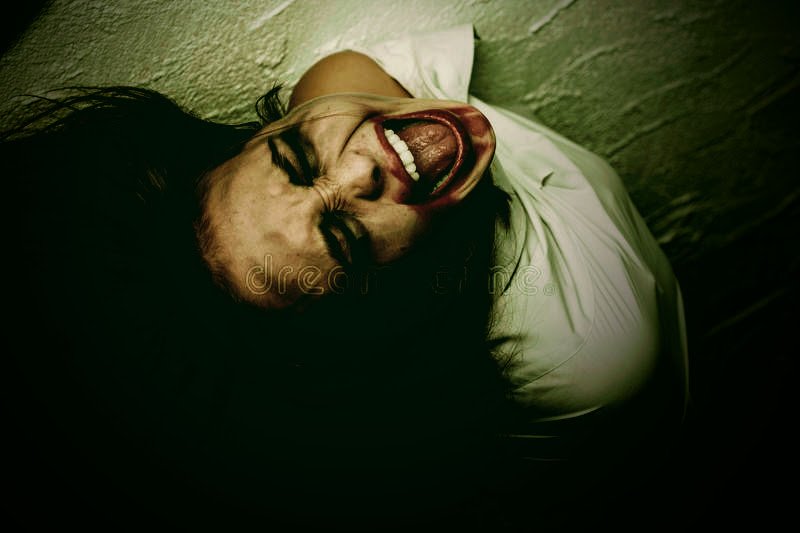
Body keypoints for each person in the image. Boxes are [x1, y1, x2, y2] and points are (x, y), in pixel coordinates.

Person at [3, 24, 687, 529]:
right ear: (380, 311)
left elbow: (342, 74)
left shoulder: (336, 89)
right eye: (344, 238)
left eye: (296, 157)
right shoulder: (585, 342)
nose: (362, 168)